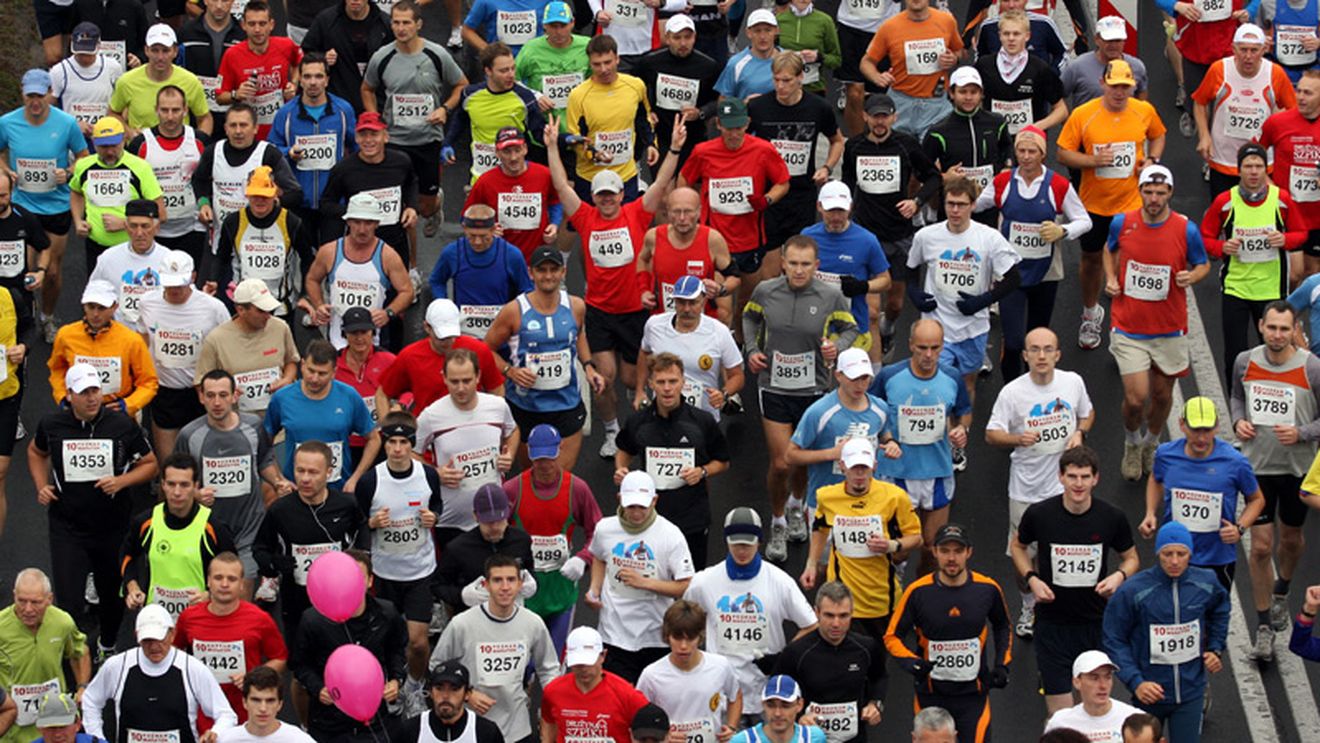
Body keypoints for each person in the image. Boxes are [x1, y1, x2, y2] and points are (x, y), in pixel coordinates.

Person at [547, 113, 682, 457]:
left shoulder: (637, 213)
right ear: (594, 197)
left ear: (622, 194)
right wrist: (551, 146)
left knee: (629, 378)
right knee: (602, 378)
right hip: (600, 312)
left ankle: (640, 411)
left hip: (637, 310)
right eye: (601, 196)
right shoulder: (585, 216)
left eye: (611, 195)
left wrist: (675, 149)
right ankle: (612, 431)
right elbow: (562, 186)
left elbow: (662, 183)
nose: (607, 200)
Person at [743, 235, 862, 562]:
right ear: (783, 263)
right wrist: (752, 350)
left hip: (813, 390)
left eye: (805, 264)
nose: (798, 271)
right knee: (782, 461)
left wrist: (835, 347)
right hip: (774, 388)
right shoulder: (766, 291)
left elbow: (851, 329)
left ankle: (797, 505)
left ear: (816, 266)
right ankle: (778, 520)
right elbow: (749, 318)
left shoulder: (830, 296)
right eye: (792, 263)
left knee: (802, 459)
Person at [28, 363, 157, 661]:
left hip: (112, 526)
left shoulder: (122, 425)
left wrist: (121, 481)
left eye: (95, 390)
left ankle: (108, 643)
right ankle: (75, 654)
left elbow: (151, 464)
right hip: (67, 526)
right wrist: (40, 485)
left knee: (111, 596)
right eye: (84, 392)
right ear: (69, 395)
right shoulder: (52, 424)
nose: (91, 398)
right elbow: (36, 452)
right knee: (69, 599)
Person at [1009, 446, 1139, 716]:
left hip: (1095, 624)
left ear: (1096, 479)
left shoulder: (1111, 517)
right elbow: (1018, 547)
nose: (1078, 484)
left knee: (1094, 708)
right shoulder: (1040, 514)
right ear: (1061, 477)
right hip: (1051, 624)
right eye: (1072, 476)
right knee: (1061, 717)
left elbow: (1131, 558)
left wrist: (1118, 576)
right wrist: (1032, 579)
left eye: (1084, 477)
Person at [986, 326, 1094, 633]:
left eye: (1048, 349)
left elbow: (1088, 413)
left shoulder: (1073, 383)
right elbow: (991, 435)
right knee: (1022, 555)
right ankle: (1028, 605)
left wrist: (1079, 432)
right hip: (1026, 489)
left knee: (1071, 551)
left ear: (1058, 354)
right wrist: (1017, 438)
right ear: (1025, 355)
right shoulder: (1013, 393)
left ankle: (1068, 608)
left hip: (1067, 486)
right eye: (1035, 349)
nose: (1042, 355)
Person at [1104, 165, 1210, 480]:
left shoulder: (1185, 229)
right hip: (1128, 326)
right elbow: (1108, 251)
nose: (1153, 198)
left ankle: (1151, 442)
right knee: (1136, 398)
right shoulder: (1122, 223)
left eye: (1160, 193)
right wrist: (1111, 277)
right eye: (1148, 192)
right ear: (1140, 192)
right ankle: (1132, 442)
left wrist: (1192, 275)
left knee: (1163, 396)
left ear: (1170, 194)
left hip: (1169, 327)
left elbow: (1203, 263)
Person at [1056, 60, 1167, 351]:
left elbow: (1158, 134)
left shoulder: (1143, 111)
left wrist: (1153, 160)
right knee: (1092, 261)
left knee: (1130, 262)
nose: (1120, 92)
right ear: (1103, 84)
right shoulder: (1084, 114)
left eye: (1125, 87)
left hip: (1131, 204)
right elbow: (1063, 153)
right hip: (1094, 204)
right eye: (1115, 86)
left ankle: (1129, 323)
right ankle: (1091, 313)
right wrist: (1093, 161)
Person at [1143, 396, 1264, 656]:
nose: (1201, 437)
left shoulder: (1234, 462)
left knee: (1209, 623)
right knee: (1172, 619)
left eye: (1207, 429)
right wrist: (1150, 513)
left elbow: (1257, 500)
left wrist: (1240, 528)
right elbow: (1155, 479)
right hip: (1173, 555)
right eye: (1195, 429)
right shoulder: (1166, 454)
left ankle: (1199, 678)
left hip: (1216, 558)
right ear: (1181, 425)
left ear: (1217, 427)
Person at [1231, 302, 1320, 653]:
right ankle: (1264, 625)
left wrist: (1302, 432)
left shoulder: (1312, 368)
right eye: (1272, 328)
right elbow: (1237, 398)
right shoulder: (1245, 361)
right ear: (1262, 326)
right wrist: (1238, 421)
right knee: (1261, 547)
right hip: (1258, 466)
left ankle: (1282, 587)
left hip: (1297, 469)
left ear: (1294, 328)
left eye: (1285, 329)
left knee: (1291, 540)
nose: (1278, 335)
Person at [684, 507, 817, 727]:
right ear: (726, 540)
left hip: (767, 696)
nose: (742, 550)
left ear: (759, 541)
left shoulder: (780, 582)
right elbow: (686, 621)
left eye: (747, 543)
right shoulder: (704, 582)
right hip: (722, 695)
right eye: (736, 544)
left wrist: (782, 658)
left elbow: (811, 625)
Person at [976, 128, 1092, 378]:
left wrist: (1062, 230)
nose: (1026, 156)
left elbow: (1084, 220)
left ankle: (1034, 386)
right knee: (1015, 340)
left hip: (1046, 273)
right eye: (1021, 150)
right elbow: (973, 204)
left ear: (1042, 154)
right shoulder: (1003, 182)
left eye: (1032, 151)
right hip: (1010, 274)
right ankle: (1010, 390)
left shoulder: (1058, 185)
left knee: (1038, 340)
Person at [250, 441, 364, 693]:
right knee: (302, 674)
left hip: (339, 604)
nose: (305, 478)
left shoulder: (346, 505)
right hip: (297, 603)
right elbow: (259, 550)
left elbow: (363, 535)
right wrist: (275, 564)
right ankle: (303, 725)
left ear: (329, 472)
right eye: (300, 471)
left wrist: (354, 563)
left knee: (342, 665)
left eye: (313, 472)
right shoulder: (280, 510)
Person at [1102, 523, 1229, 743]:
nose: (1174, 561)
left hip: (1191, 693)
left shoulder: (1206, 581)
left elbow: (1220, 609)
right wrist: (1136, 682)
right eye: (1167, 553)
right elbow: (1114, 638)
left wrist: (1215, 648)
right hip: (1150, 694)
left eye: (1181, 554)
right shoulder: (1133, 590)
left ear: (1190, 553)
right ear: (1158, 553)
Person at [884, 524, 1011, 743]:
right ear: (934, 552)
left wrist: (1002, 664)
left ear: (969, 552)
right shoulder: (918, 591)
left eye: (958, 551)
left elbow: (1003, 626)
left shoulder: (988, 589)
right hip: (931, 696)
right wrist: (910, 663)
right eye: (944, 551)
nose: (951, 558)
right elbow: (892, 635)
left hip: (973, 697)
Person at [906, 175, 1021, 406]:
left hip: (973, 328)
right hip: (937, 327)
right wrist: (914, 293)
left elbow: (1013, 278)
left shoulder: (989, 238)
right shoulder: (926, 236)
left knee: (967, 384)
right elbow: (910, 267)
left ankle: (961, 437)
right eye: (950, 204)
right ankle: (943, 436)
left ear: (973, 205)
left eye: (961, 205)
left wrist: (983, 300)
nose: (955, 210)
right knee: (937, 385)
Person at [484, 247, 604, 469]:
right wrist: (511, 372)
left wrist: (588, 367)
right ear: (531, 273)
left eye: (554, 270)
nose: (548, 276)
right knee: (531, 477)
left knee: (560, 477)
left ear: (563, 272)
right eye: (542, 270)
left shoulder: (576, 306)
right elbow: (486, 350)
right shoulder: (514, 310)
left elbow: (578, 336)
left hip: (566, 404)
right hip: (526, 406)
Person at [353, 410, 441, 711]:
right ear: (384, 444)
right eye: (392, 443)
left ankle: (415, 687)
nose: (398, 449)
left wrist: (434, 517)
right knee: (385, 638)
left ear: (412, 444)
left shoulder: (427, 475)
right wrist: (372, 523)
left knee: (417, 641)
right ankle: (389, 687)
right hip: (385, 573)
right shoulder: (370, 481)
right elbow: (357, 524)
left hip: (419, 571)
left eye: (404, 442)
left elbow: (437, 505)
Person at [842, 93, 942, 355]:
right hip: (866, 234)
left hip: (899, 235)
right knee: (872, 310)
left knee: (896, 304)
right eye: (875, 116)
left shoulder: (906, 145)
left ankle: (888, 327)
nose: (880, 122)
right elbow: (847, 184)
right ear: (865, 117)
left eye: (885, 116)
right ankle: (870, 361)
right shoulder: (854, 147)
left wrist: (917, 202)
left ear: (894, 117)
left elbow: (933, 177)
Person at [176, 369, 290, 597]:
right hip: (208, 530)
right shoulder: (190, 435)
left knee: (243, 594)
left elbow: (264, 460)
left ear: (234, 396)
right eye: (210, 395)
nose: (217, 402)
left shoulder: (253, 426)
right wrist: (195, 495)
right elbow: (176, 480)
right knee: (211, 595)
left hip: (249, 526)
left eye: (222, 395)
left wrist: (278, 482)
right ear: (201, 397)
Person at [1201, 143, 1308, 385]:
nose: (1253, 172)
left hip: (1271, 289)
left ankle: (1272, 395)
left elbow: (1301, 233)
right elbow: (1204, 237)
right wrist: (1221, 248)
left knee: (1276, 352)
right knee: (1235, 356)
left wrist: (1285, 239)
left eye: (1259, 166)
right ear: (1239, 170)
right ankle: (1236, 405)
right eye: (1248, 166)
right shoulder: (1225, 202)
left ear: (1265, 169)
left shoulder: (1281, 199)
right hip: (1235, 287)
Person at [361, 0, 467, 244]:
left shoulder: (436, 54)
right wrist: (375, 119)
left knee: (424, 206)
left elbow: (462, 86)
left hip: (428, 139)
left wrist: (444, 109)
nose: (400, 28)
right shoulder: (383, 56)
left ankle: (435, 204)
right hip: (395, 141)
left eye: (406, 22)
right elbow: (367, 88)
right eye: (396, 22)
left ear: (418, 24)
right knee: (399, 206)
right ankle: (409, 262)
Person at [871, 319, 971, 574]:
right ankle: (896, 581)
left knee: (932, 546)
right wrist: (887, 439)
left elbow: (964, 410)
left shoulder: (951, 377)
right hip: (897, 473)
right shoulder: (890, 376)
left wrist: (961, 429)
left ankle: (922, 594)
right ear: (911, 345)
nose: (929, 355)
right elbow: (872, 412)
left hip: (937, 472)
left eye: (935, 348)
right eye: (922, 347)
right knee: (899, 547)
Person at [799, 437, 922, 642]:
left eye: (864, 468)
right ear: (842, 466)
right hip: (842, 601)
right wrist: (811, 563)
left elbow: (916, 537)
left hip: (881, 598)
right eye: (854, 468)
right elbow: (820, 527)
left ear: (874, 466)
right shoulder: (827, 497)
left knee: (878, 666)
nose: (859, 475)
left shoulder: (894, 497)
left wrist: (891, 545)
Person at [615, 352, 731, 567]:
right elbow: (623, 450)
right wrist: (621, 469)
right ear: (651, 384)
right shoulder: (638, 422)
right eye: (661, 382)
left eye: (673, 381)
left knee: (691, 580)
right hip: (650, 517)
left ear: (682, 383)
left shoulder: (702, 422)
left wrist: (703, 471)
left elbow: (723, 461)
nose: (667, 388)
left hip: (692, 518)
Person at [677, 97, 791, 315]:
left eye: (738, 127)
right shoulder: (703, 152)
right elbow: (683, 181)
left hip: (750, 239)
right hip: (714, 240)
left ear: (747, 123)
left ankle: (741, 344)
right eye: (728, 127)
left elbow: (782, 183)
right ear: (718, 124)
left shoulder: (763, 150)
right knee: (722, 306)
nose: (733, 133)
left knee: (747, 304)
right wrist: (691, 208)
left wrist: (766, 199)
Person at [0, 69, 88, 342]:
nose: (35, 102)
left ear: (50, 93)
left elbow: (84, 157)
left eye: (40, 95)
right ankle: (20, 318)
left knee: (51, 271)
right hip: (23, 205)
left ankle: (47, 317)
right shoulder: (7, 122)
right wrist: (6, 172)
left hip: (56, 206)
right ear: (23, 94)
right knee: (22, 270)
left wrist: (70, 171)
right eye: (30, 96)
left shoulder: (66, 123)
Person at [432, 554, 561, 741]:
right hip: (473, 727)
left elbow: (549, 669)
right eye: (497, 580)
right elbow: (436, 667)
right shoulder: (461, 624)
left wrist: (557, 704)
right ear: (485, 585)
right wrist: (468, 694)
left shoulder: (533, 623)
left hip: (517, 726)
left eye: (511, 580)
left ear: (520, 584)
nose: (505, 587)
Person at [587, 471, 695, 683]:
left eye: (642, 507)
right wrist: (594, 589)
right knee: (619, 704)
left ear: (654, 501)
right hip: (614, 634)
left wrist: (645, 583)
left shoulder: (670, 535)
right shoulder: (605, 528)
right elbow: (599, 557)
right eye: (631, 506)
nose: (636, 513)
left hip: (654, 636)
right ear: (620, 500)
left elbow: (686, 584)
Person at [504, 424, 602, 655]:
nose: (544, 465)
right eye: (538, 459)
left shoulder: (577, 489)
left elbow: (599, 531)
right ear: (529, 454)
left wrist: (583, 558)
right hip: (523, 592)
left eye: (549, 457)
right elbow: (494, 534)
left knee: (556, 662)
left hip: (561, 590)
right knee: (523, 666)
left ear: (560, 450)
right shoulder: (512, 489)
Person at [292, 549, 407, 742]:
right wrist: (318, 688)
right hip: (329, 720)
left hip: (374, 719)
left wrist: (396, 680)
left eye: (358, 578)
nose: (350, 584)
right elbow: (300, 665)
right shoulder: (312, 620)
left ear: (370, 581)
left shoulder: (387, 613)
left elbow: (396, 651)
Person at [82, 603, 238, 741]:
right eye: (147, 640)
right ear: (137, 637)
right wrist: (97, 738)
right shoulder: (117, 666)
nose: (154, 647)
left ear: (172, 634)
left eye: (159, 639)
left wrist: (215, 733)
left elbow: (226, 715)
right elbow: (90, 700)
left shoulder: (192, 668)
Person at [747, 52, 844, 264]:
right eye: (776, 80)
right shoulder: (758, 107)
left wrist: (827, 168)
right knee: (769, 267)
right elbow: (742, 143)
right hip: (769, 193)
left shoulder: (819, 108)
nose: (781, 86)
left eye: (787, 80)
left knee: (798, 262)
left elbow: (837, 140)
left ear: (801, 77)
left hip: (802, 193)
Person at [416, 348, 520, 542]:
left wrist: (510, 456)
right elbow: (412, 454)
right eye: (454, 382)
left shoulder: (497, 406)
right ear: (444, 378)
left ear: (478, 376)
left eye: (467, 380)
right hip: (451, 521)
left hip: (494, 516)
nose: (461, 388)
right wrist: (435, 473)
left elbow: (512, 431)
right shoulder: (431, 416)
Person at [120, 452, 236, 623]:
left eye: (184, 485)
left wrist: (210, 595)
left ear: (196, 486)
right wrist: (132, 586)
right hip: (157, 621)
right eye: (171, 484)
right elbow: (127, 555)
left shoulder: (214, 527)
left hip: (200, 619)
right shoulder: (145, 522)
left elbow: (233, 571)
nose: (177, 492)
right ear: (163, 485)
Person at [173, 552, 288, 724]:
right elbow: (173, 653)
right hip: (201, 714)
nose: (224, 584)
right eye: (218, 578)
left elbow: (280, 659)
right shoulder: (188, 617)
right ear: (208, 581)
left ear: (242, 584)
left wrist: (252, 678)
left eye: (232, 579)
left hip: (246, 716)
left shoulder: (259, 619)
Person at [775, 581, 888, 743]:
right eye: (829, 615)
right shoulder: (796, 652)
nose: (836, 623)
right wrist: (798, 717)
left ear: (852, 614)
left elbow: (880, 677)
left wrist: (875, 704)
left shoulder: (866, 648)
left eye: (843, 616)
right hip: (808, 738)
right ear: (817, 612)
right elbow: (777, 692)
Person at [1193, 24, 1297, 196]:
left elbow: (1292, 110)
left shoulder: (1275, 73)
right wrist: (1204, 135)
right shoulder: (1219, 70)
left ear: (1264, 50)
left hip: (1260, 163)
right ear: (1233, 49)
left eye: (1254, 50)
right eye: (1243, 50)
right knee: (1224, 214)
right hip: (1224, 159)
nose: (1248, 57)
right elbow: (1199, 102)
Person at [267, 53, 358, 248]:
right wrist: (288, 152)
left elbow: (356, 147)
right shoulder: (286, 113)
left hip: (334, 200)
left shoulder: (344, 110)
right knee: (304, 261)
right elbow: (271, 152)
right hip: (299, 201)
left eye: (318, 76)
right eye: (307, 77)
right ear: (299, 79)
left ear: (327, 80)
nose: (313, 82)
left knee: (332, 256)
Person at [303, 193, 414, 351]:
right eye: (357, 222)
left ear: (377, 223)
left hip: (373, 342)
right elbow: (312, 279)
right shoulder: (330, 251)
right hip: (337, 342)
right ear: (348, 222)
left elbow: (407, 291)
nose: (362, 230)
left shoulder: (387, 256)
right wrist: (319, 305)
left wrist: (388, 313)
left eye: (368, 223)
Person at [265, 339, 379, 491]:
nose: (315, 378)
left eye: (322, 373)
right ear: (303, 365)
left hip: (338, 489)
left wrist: (355, 478)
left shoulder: (349, 396)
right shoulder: (283, 398)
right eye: (311, 371)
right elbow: (265, 442)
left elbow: (374, 438)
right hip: (296, 490)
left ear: (334, 372)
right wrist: (279, 479)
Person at [194, 103, 302, 250]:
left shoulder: (268, 154)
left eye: (243, 125)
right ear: (225, 128)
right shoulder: (213, 152)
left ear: (255, 128)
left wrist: (273, 202)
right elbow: (198, 180)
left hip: (259, 245)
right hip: (222, 241)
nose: (238, 131)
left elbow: (296, 194)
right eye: (233, 125)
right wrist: (204, 203)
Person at [635, 274, 743, 421]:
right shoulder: (654, 325)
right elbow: (644, 354)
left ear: (703, 301)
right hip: (662, 415)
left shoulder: (719, 331)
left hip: (703, 418)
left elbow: (737, 375)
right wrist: (640, 391)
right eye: (681, 302)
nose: (686, 309)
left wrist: (723, 393)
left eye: (692, 303)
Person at [208, 166, 312, 317]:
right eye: (255, 195)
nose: (260, 201)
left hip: (280, 306)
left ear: (275, 194)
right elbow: (221, 257)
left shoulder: (291, 222)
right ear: (247, 195)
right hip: (244, 305)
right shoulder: (234, 222)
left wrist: (305, 293)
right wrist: (214, 280)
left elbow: (308, 259)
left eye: (265, 196)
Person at [0, 569, 90, 743]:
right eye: (22, 601)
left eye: (36, 602)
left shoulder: (62, 622)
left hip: (55, 725)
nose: (28, 609)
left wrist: (82, 686)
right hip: (13, 730)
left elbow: (80, 651)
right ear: (13, 595)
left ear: (49, 599)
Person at [796, 198, 888, 366]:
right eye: (831, 211)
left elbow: (885, 280)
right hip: (814, 322)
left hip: (851, 325)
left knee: (851, 380)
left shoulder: (867, 240)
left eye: (841, 211)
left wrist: (863, 286)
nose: (836, 217)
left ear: (850, 208)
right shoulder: (808, 236)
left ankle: (875, 376)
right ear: (819, 207)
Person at [563, 34, 656, 200]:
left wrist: (651, 144)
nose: (603, 69)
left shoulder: (635, 86)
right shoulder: (578, 95)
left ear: (617, 59)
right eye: (597, 64)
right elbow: (574, 137)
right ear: (589, 64)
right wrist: (594, 154)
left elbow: (644, 118)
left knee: (628, 225)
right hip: (590, 177)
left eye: (608, 62)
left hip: (626, 176)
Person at [316, 112, 417, 265]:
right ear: (356, 138)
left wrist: (411, 207)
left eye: (374, 134)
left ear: (385, 137)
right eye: (363, 135)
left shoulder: (401, 161)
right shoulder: (343, 169)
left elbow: (411, 182)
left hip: (395, 242)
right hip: (360, 244)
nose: (368, 140)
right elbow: (326, 203)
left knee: (398, 287)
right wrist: (357, 214)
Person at [636, 600, 742, 743]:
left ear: (700, 637)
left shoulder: (721, 666)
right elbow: (638, 719)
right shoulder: (651, 675)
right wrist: (661, 737)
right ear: (667, 636)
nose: (683, 646)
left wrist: (732, 727)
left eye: (690, 638)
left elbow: (735, 696)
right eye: (677, 638)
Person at [48, 280, 158, 417]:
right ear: (84, 306)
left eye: (101, 308)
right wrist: (62, 396)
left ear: (115, 307)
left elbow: (148, 382)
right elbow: (57, 369)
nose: (95, 314)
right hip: (78, 409)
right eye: (91, 307)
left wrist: (129, 404)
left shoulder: (131, 340)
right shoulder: (66, 335)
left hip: (117, 410)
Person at [378, 298, 507, 416]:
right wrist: (388, 430)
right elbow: (382, 394)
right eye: (441, 337)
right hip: (429, 432)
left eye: (451, 336)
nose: (448, 342)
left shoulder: (479, 350)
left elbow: (496, 390)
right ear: (427, 327)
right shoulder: (409, 356)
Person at [442, 44, 546, 188]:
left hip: (514, 182)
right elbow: (460, 120)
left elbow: (539, 134)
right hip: (480, 178)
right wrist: (448, 143)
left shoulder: (525, 98)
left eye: (512, 68)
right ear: (488, 71)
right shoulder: (470, 95)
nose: (511, 75)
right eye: (504, 70)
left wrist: (564, 139)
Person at [69, 118, 166, 273]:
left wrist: (124, 224)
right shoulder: (84, 166)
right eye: (103, 146)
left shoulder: (140, 168)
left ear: (124, 140)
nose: (109, 152)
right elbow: (76, 192)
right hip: (96, 248)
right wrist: (78, 220)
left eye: (114, 145)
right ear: (93, 143)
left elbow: (161, 213)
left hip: (132, 249)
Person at [193, 279, 300, 417]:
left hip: (279, 415)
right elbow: (200, 382)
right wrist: (224, 395)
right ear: (241, 310)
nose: (268, 316)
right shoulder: (216, 339)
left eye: (270, 310)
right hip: (237, 422)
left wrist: (286, 380)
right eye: (261, 311)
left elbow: (291, 361)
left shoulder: (280, 327)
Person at [860, 0, 965, 140]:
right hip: (901, 104)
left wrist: (954, 58)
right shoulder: (889, 26)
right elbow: (866, 62)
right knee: (900, 156)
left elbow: (960, 51)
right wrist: (876, 77)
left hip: (936, 105)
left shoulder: (946, 21)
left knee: (935, 157)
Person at [428, 202, 534, 341]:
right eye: (472, 236)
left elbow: (526, 290)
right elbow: (436, 281)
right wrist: (445, 306)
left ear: (493, 229)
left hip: (501, 334)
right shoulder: (452, 252)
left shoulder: (511, 255)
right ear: (464, 228)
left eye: (484, 237)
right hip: (465, 334)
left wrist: (515, 317)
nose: (477, 242)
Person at [126, 87, 209, 263]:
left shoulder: (200, 140)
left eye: (176, 110)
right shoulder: (140, 144)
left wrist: (205, 203)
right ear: (156, 110)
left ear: (185, 110)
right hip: (154, 231)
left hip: (192, 228)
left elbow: (209, 179)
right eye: (164, 110)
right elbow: (130, 187)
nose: (170, 117)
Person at [925, 67, 1012, 229]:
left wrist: (1007, 167)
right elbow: (922, 170)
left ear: (981, 94)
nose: (968, 97)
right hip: (954, 206)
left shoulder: (997, 122)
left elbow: (1007, 147)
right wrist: (944, 177)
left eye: (973, 92)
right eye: (963, 92)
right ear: (952, 93)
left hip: (988, 203)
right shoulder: (938, 131)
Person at [636, 188, 739, 323]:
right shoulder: (654, 237)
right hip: (664, 321)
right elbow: (642, 259)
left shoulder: (712, 239)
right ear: (667, 211)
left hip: (702, 323)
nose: (682, 218)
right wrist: (644, 290)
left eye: (688, 211)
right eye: (677, 212)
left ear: (699, 211)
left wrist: (721, 290)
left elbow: (734, 276)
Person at [463, 126, 562, 264]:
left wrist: (555, 224)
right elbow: (466, 217)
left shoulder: (544, 175)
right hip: (498, 257)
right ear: (497, 153)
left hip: (536, 258)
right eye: (507, 152)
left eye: (517, 150)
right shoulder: (485, 182)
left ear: (525, 149)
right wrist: (487, 229)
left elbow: (555, 201)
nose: (513, 157)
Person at [632, 16, 723, 167]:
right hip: (661, 136)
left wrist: (700, 112)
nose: (683, 43)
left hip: (693, 136)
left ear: (694, 37)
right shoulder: (650, 62)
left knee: (689, 187)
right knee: (662, 186)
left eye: (687, 37)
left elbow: (718, 100)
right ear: (667, 38)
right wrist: (648, 112)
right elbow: (635, 92)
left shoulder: (709, 66)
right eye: (677, 37)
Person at [431, 485, 536, 610]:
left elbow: (529, 569)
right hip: (473, 617)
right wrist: (462, 596)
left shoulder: (522, 540)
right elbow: (437, 585)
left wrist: (533, 583)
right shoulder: (457, 548)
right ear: (476, 516)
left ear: (508, 512)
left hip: (513, 613)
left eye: (499, 520)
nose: (495, 527)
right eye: (488, 522)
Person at [540, 626, 650, 743]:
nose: (583, 669)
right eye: (578, 663)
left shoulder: (626, 694)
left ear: (603, 656)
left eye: (588, 662)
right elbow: (548, 722)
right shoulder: (553, 691)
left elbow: (651, 727)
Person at [1261, 71, 1320, 284]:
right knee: (1294, 273)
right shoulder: (1278, 122)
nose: (1301, 97)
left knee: (1313, 273)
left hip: (1317, 214)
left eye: (1308, 93)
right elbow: (1253, 152)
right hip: (1289, 211)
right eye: (1299, 91)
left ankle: (1305, 316)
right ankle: (1289, 314)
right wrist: (1268, 184)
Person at [970, 12, 1067, 137]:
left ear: (1027, 36)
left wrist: (1036, 127)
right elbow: (973, 98)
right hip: (993, 139)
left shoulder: (1040, 68)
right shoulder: (984, 65)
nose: (1011, 38)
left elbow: (1062, 110)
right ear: (999, 36)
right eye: (1006, 34)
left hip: (1029, 141)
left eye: (1016, 34)